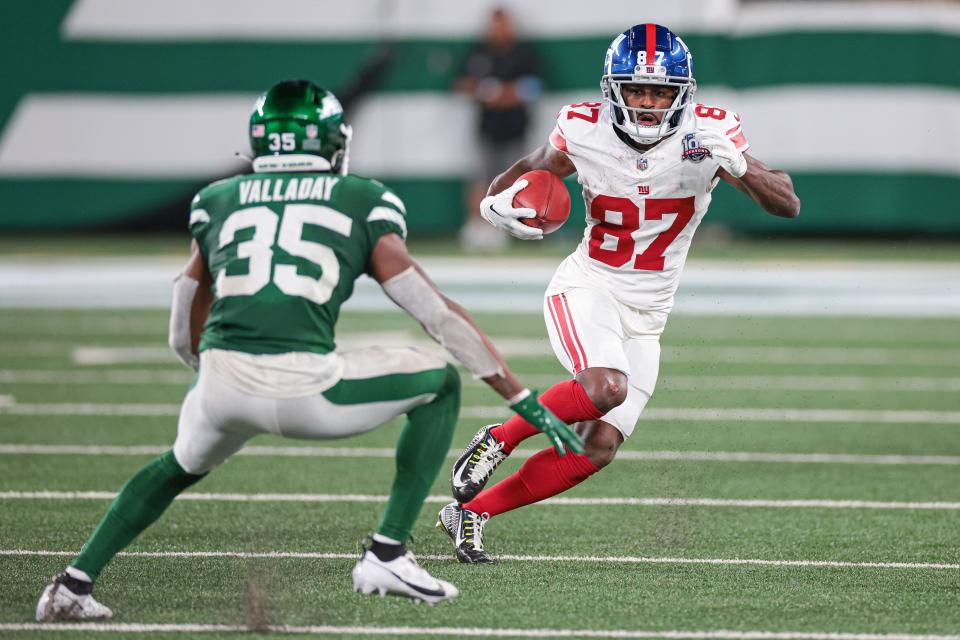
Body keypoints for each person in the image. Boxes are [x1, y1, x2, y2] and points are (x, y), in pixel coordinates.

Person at [35, 79, 583, 619]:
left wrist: (204, 368)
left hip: (221, 381)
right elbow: (435, 314)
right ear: (331, 142)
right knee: (439, 382)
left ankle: (72, 584)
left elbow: (184, 307)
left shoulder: (218, 199)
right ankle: (388, 552)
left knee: (177, 465)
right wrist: (517, 395)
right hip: (306, 388)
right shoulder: (361, 200)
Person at [437, 24, 801, 563]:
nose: (649, 102)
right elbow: (522, 176)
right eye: (637, 90)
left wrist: (739, 163)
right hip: (589, 286)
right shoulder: (583, 129)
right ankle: (499, 438)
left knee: (598, 445)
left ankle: (472, 513)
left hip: (649, 314)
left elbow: (787, 204)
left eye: (660, 91)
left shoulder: (712, 134)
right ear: (615, 90)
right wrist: (498, 207)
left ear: (684, 93)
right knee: (606, 386)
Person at [455, 7, 541, 251]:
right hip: (487, 129)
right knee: (481, 179)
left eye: (503, 24)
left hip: (516, 128)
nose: (499, 30)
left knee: (516, 181)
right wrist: (484, 91)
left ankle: (513, 227)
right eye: (495, 24)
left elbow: (534, 87)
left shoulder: (523, 53)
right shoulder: (478, 53)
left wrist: (505, 94)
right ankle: (477, 227)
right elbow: (461, 83)